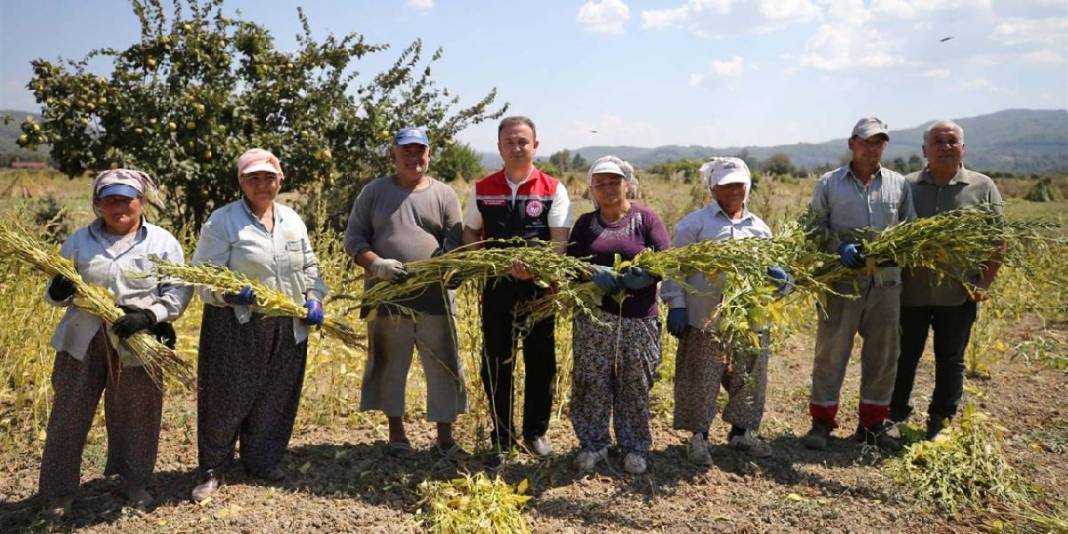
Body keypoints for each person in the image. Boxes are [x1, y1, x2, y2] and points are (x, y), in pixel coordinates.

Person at [38, 169, 191, 515]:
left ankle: (135, 483)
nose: (119, 206)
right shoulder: (78, 241)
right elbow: (55, 292)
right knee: (69, 414)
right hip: (83, 339)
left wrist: (150, 315)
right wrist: (58, 291)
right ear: (97, 203)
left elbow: (179, 289)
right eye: (110, 199)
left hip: (136, 338)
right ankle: (58, 492)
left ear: (140, 201)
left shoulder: (163, 242)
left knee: (138, 414)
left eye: (126, 198)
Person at [190, 148, 328, 502]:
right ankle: (212, 469)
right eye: (253, 178)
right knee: (225, 397)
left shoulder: (292, 220)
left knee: (276, 397)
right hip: (237, 323)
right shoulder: (222, 222)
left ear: (280, 180)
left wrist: (314, 296)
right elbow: (201, 278)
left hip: (287, 324)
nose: (262, 184)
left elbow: (310, 267)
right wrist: (231, 294)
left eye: (269, 177)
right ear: (241, 182)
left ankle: (262, 462)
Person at [344, 127, 467, 457]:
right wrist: (377, 264)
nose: (414, 157)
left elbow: (456, 242)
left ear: (429, 154)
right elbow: (354, 240)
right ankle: (396, 434)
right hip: (387, 296)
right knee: (389, 364)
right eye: (406, 151)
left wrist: (450, 266)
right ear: (392, 155)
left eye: (420, 151)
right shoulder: (373, 192)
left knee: (444, 366)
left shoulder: (444, 195)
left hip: (434, 298)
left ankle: (445, 438)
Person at [662, 157, 793, 465]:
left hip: (749, 321)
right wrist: (676, 305)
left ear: (747, 187)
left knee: (749, 378)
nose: (734, 190)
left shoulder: (760, 229)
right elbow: (674, 269)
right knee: (700, 378)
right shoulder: (694, 225)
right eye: (726, 185)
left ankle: (741, 434)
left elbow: (780, 279)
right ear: (713, 188)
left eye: (739, 184)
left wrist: (782, 281)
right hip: (704, 318)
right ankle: (698, 438)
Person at [461, 116, 571, 466]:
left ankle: (535, 433)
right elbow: (469, 233)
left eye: (523, 141)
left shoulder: (553, 188)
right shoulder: (482, 188)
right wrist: (483, 265)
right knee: (496, 363)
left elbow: (559, 244)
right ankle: (502, 437)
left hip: (540, 290)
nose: (517, 147)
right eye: (509, 141)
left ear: (535, 145)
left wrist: (538, 270)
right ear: (499, 147)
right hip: (496, 290)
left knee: (540, 362)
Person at [803, 117, 916, 452]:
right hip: (841, 281)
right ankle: (822, 422)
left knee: (882, 355)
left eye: (879, 143)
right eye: (867, 142)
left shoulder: (899, 185)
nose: (872, 149)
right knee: (832, 351)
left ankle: (872, 423)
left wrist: (893, 249)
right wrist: (838, 247)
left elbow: (910, 231)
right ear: (852, 143)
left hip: (885, 284)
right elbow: (813, 228)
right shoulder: (830, 183)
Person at [890, 121, 1004, 440]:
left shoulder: (982, 187)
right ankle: (894, 417)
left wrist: (982, 285)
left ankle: (941, 420)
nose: (945, 146)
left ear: (963, 148)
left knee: (951, 360)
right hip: (909, 294)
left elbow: (999, 242)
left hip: (957, 293)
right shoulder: (906, 186)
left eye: (951, 141)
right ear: (924, 150)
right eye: (937, 141)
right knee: (903, 357)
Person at [565, 156, 670, 475]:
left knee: (634, 382)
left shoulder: (647, 219)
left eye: (614, 181)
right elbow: (570, 266)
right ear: (591, 189)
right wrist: (590, 272)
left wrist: (647, 275)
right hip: (595, 318)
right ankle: (594, 443)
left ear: (627, 183)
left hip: (638, 319)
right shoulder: (584, 224)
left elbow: (666, 260)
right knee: (592, 380)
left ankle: (635, 446)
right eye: (600, 183)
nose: (608, 187)